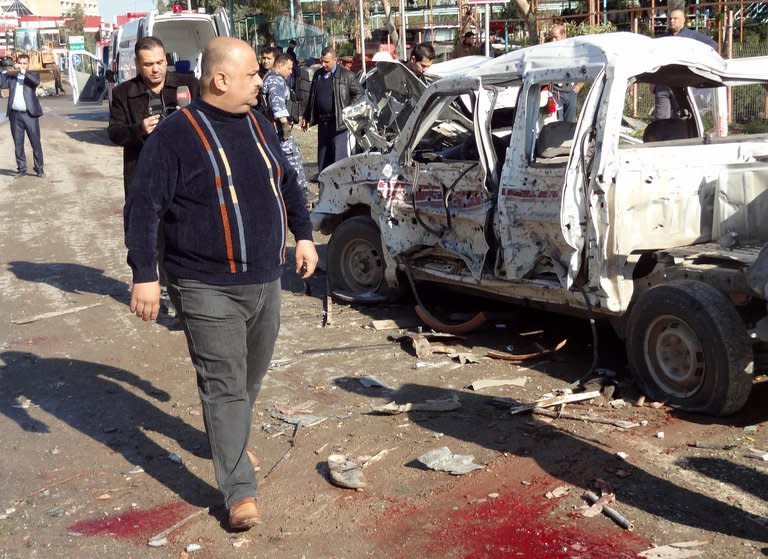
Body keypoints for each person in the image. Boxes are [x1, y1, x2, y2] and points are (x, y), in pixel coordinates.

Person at [124, 36, 318, 530]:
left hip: (264, 279)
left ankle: (227, 436)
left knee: (249, 375)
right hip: (204, 283)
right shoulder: (175, 136)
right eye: (254, 73)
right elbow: (144, 208)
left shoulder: (258, 125)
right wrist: (145, 274)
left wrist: (304, 236)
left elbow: (288, 183)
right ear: (221, 79)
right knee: (224, 385)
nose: (263, 80)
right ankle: (238, 491)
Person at [108, 36, 200, 196]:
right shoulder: (122, 92)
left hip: (186, 173)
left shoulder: (189, 85)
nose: (156, 69)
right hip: (143, 175)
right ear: (137, 64)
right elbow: (114, 133)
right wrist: (140, 129)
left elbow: (209, 120)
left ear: (166, 60)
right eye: (148, 64)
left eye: (160, 62)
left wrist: (190, 118)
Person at [300, 46, 364, 172]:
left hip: (339, 125)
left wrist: (348, 109)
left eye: (327, 62)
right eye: (322, 61)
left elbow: (360, 94)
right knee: (323, 160)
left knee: (339, 161)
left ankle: (340, 188)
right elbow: (312, 96)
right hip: (323, 125)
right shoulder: (318, 75)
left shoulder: (347, 76)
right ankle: (324, 186)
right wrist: (307, 116)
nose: (323, 64)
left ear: (335, 60)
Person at [653, 8, 716, 120]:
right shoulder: (662, 39)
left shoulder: (693, 37)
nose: (672, 21)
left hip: (683, 84)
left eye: (675, 18)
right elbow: (653, 59)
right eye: (670, 18)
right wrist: (652, 82)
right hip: (663, 86)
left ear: (683, 20)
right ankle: (663, 137)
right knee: (661, 120)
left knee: (682, 119)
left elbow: (712, 46)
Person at [262, 53, 309, 200]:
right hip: (279, 132)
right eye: (288, 68)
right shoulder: (276, 80)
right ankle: (300, 196)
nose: (290, 72)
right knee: (293, 161)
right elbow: (276, 104)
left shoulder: (270, 78)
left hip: (274, 131)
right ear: (280, 65)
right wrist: (285, 124)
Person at [0, 53, 45, 178]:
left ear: (28, 64)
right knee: (18, 143)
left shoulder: (33, 74)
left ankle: (39, 169)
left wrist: (23, 71)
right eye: (20, 63)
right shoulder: (12, 77)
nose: (22, 65)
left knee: (35, 143)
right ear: (17, 62)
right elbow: (2, 84)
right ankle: (21, 168)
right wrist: (4, 69)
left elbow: (35, 82)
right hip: (15, 115)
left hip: (30, 115)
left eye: (25, 63)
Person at [548, 24, 581, 122]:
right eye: (551, 37)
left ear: (564, 36)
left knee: (570, 125)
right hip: (556, 94)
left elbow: (583, 69)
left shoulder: (573, 52)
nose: (553, 40)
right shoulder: (549, 53)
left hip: (571, 93)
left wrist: (579, 85)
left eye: (555, 37)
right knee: (557, 124)